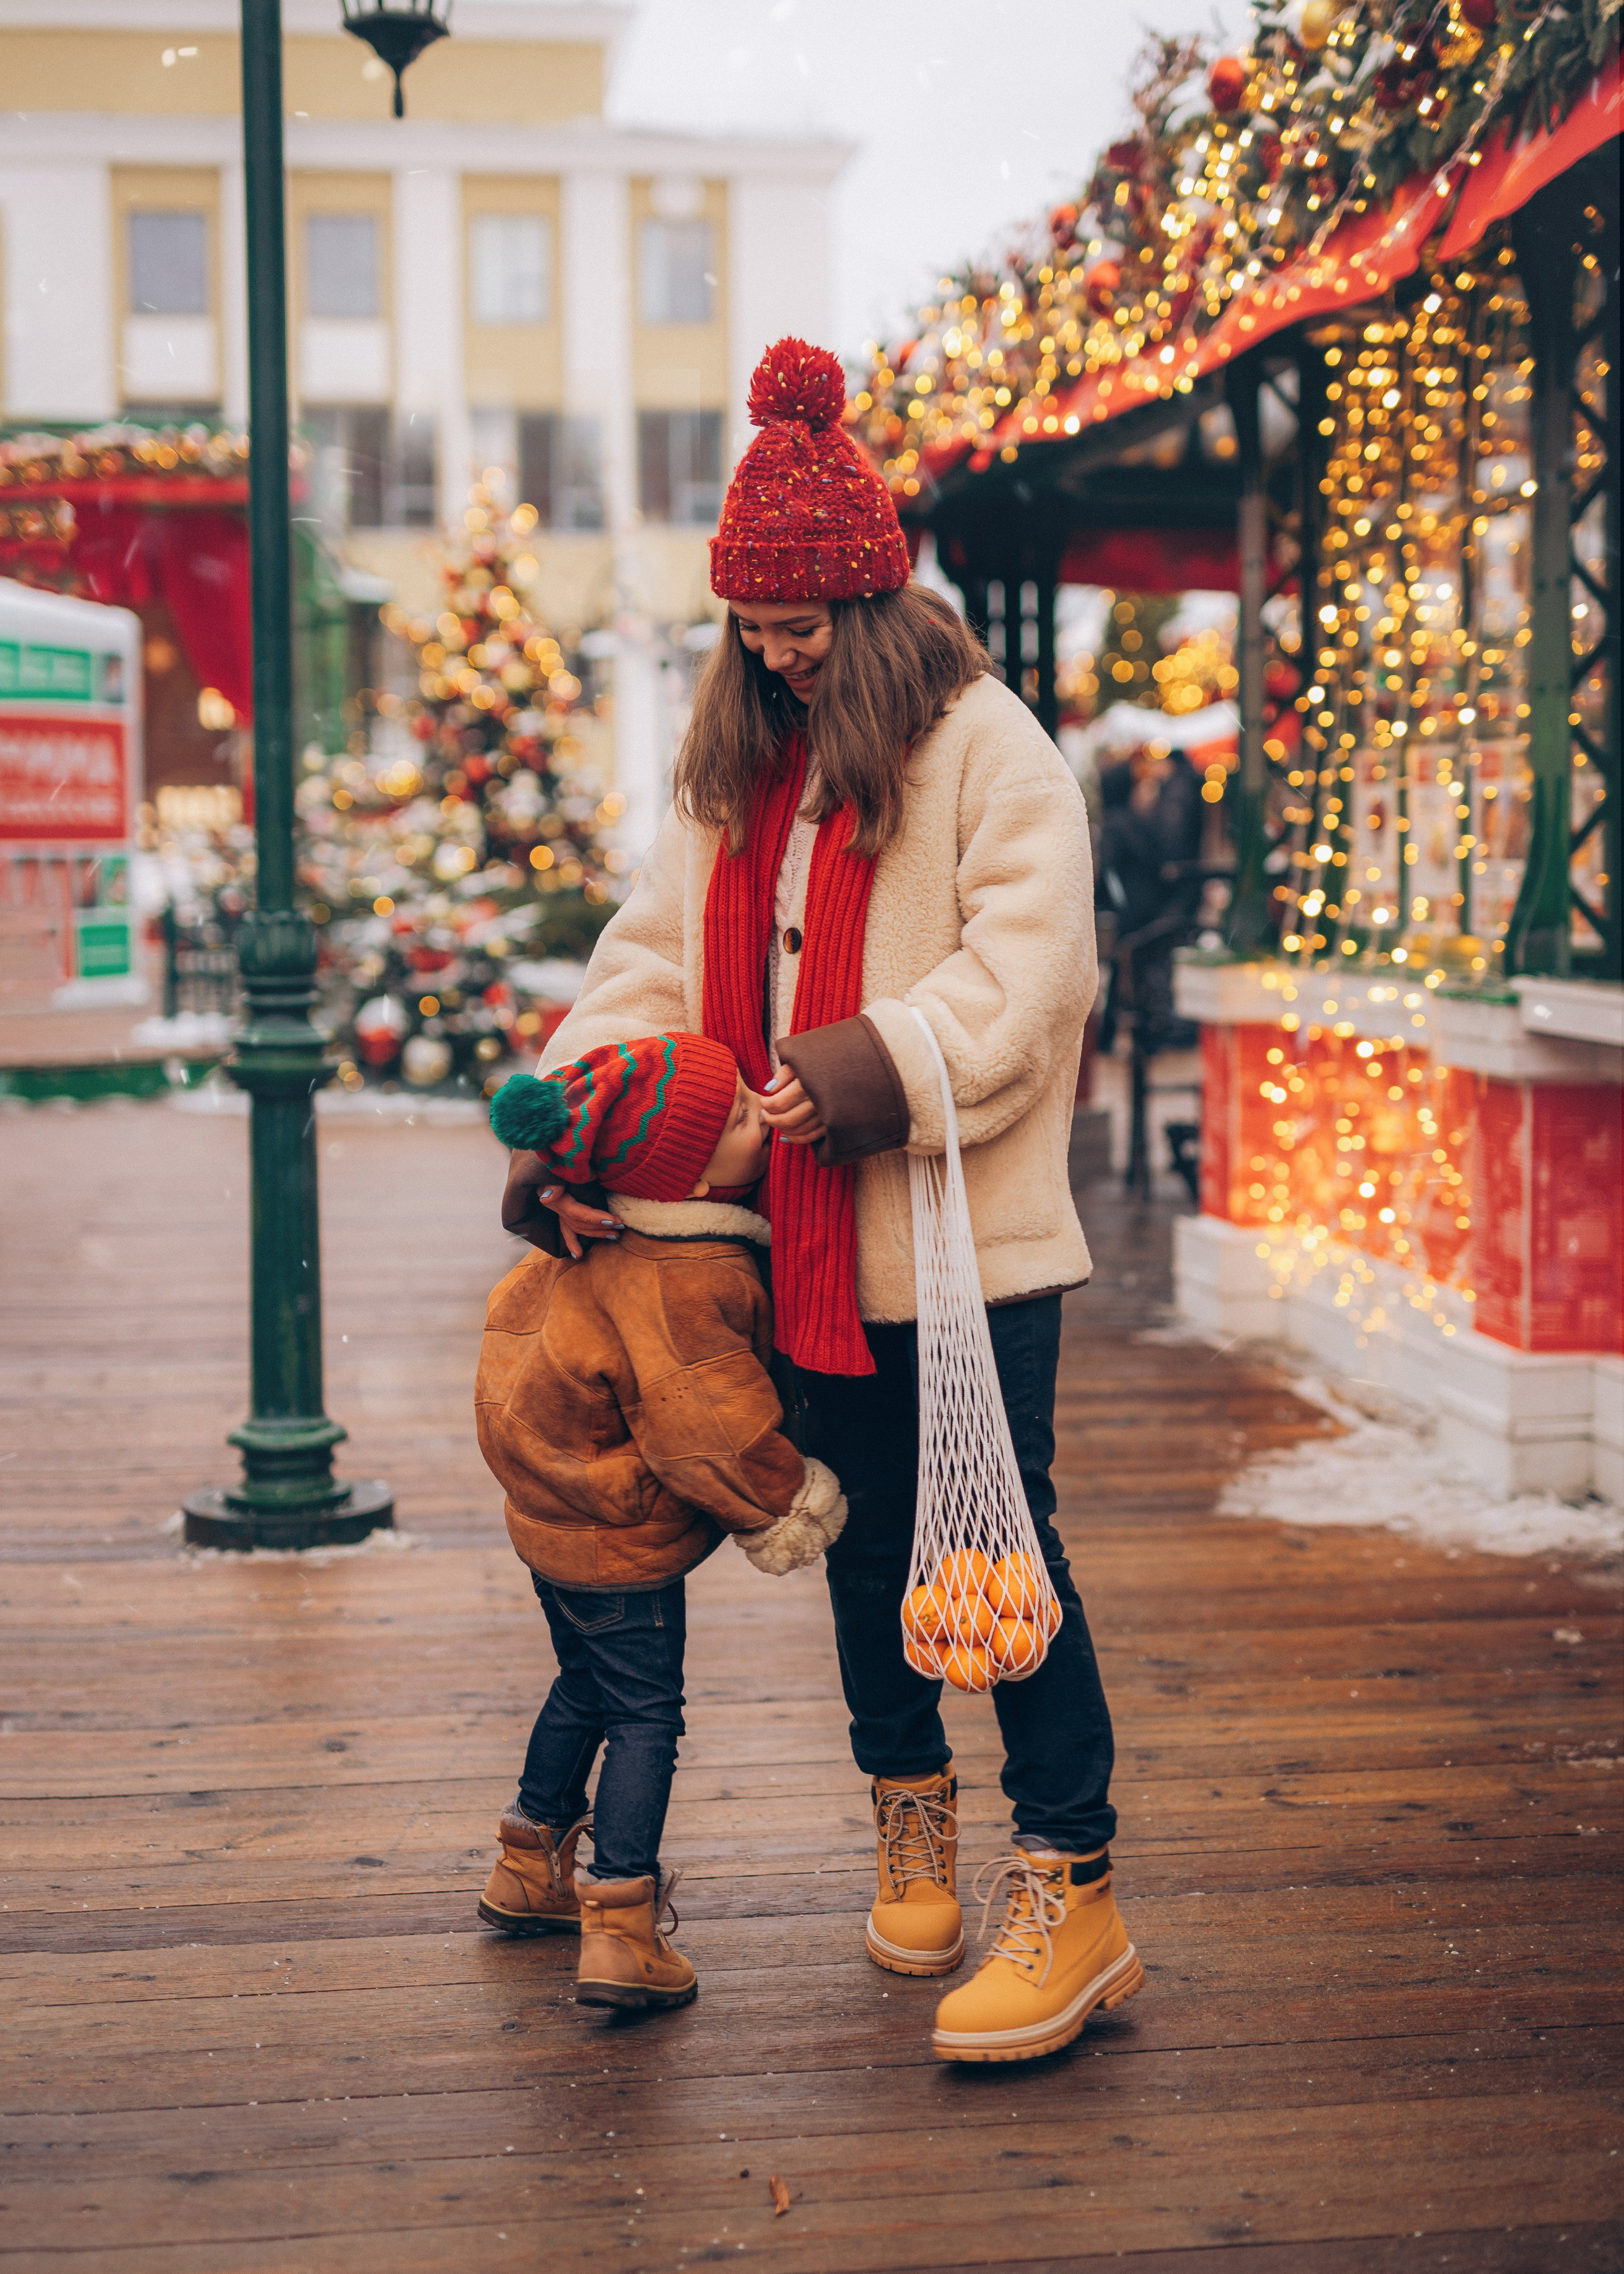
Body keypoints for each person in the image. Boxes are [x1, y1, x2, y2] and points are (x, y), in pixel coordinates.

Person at [503, 336, 1141, 2065]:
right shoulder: (744, 764)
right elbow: (649, 959)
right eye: (753, 625)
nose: (775, 653)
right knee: (866, 1559)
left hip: (962, 1258)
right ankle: (910, 1806)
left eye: (801, 626)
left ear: (873, 606)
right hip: (797, 1259)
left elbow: (1031, 977)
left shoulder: (989, 750)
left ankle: (1074, 1881)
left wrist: (859, 1068)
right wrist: (579, 1114)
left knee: (994, 1571)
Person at [475, 1031, 848, 2011]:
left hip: (553, 1521)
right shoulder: (685, 1277)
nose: (758, 1117)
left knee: (585, 1688)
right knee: (647, 1716)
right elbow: (709, 1431)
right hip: (620, 1538)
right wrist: (788, 1504)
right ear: (680, 1181)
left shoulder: (584, 1249)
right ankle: (620, 1929)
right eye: (732, 1120)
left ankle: (527, 1863)